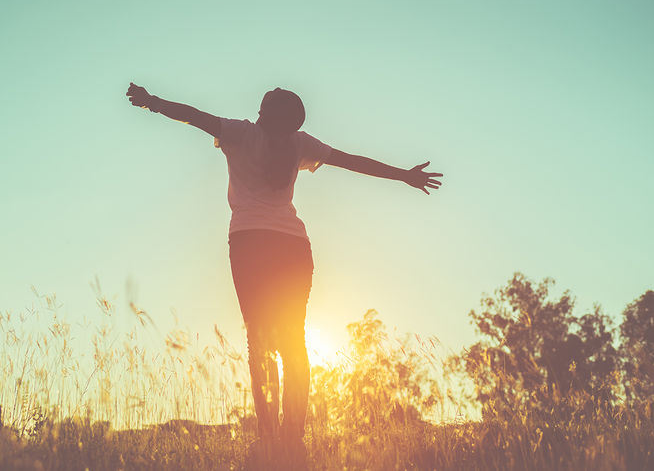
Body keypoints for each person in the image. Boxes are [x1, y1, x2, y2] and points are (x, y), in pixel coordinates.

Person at [125, 83, 443, 464]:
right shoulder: (299, 142)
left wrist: (151, 103)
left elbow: (193, 115)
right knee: (293, 342)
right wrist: (404, 176)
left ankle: (269, 439)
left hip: (249, 244)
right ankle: (293, 438)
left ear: (262, 112)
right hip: (293, 246)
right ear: (293, 121)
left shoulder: (242, 132)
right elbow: (354, 161)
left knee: (260, 343)